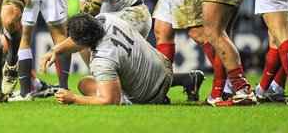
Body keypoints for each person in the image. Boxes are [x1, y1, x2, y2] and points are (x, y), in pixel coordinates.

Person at [39, 13, 202, 105]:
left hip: (147, 96)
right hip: (164, 67)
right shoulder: (107, 19)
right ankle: (188, 78)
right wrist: (55, 50)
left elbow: (111, 100)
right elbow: (79, 41)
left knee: (84, 84)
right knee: (127, 67)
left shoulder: (102, 60)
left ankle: (157, 98)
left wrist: (74, 99)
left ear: (84, 42)